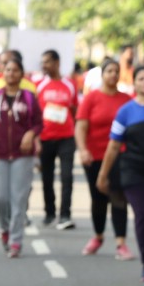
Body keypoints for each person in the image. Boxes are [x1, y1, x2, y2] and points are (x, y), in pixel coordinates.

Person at [96, 66, 144, 282]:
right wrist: (103, 174)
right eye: (141, 78)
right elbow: (113, 146)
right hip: (133, 171)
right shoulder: (126, 111)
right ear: (135, 83)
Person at [0, 59, 43, 258]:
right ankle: (5, 229)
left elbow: (38, 123)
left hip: (22, 155)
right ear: (2, 72)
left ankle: (16, 241)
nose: (11, 73)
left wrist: (31, 135)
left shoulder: (28, 97)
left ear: (21, 74)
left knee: (19, 199)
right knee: (0, 198)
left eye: (15, 70)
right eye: (8, 69)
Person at [74, 58, 133, 259]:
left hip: (120, 155)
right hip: (94, 155)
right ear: (102, 75)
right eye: (109, 71)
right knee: (98, 197)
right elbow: (81, 127)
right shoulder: (91, 98)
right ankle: (98, 236)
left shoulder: (126, 100)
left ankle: (121, 243)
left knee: (118, 196)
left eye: (117, 71)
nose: (113, 75)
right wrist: (82, 150)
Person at [36, 50, 79, 230]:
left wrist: (72, 127)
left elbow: (75, 109)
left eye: (47, 62)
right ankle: (49, 212)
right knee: (47, 177)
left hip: (66, 137)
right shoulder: (39, 85)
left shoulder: (70, 84)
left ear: (57, 63)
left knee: (67, 176)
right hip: (45, 137)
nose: (44, 65)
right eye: (42, 62)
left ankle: (65, 215)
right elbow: (35, 113)